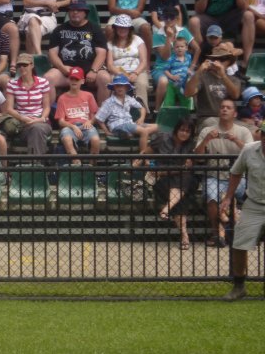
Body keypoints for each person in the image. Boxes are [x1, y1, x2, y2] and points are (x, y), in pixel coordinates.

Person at [193, 97, 251, 248]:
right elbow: (197, 157)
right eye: (222, 107)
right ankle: (216, 232)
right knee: (212, 197)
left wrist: (237, 141)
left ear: (235, 113)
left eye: (228, 108)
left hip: (238, 178)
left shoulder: (243, 131)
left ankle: (224, 233)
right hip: (214, 176)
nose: (224, 109)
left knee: (233, 197)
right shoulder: (207, 130)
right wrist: (206, 140)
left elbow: (253, 154)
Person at [134, 118, 197, 250]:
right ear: (176, 129)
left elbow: (185, 168)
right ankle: (184, 234)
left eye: (187, 131)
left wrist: (163, 172)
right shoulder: (162, 139)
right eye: (182, 130)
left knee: (185, 177)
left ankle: (167, 209)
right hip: (164, 180)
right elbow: (146, 152)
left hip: (179, 178)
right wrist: (139, 160)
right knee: (182, 198)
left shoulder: (191, 145)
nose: (184, 133)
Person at [220, 122, 265, 300]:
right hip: (253, 204)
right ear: (260, 135)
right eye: (264, 134)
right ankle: (239, 286)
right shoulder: (248, 149)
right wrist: (228, 197)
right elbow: (236, 172)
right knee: (239, 243)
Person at [44, 0, 108, 106]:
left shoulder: (95, 28)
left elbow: (102, 52)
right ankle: (48, 115)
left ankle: (101, 116)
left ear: (85, 12)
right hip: (66, 71)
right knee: (48, 78)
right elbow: (52, 53)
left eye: (78, 10)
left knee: (105, 78)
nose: (75, 12)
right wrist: (62, 68)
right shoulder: (59, 30)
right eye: (72, 10)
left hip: (89, 70)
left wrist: (94, 70)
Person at [1, 52, 51, 155]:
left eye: (25, 65)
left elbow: (46, 107)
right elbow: (9, 108)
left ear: (32, 65)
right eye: (19, 65)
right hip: (22, 122)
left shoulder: (43, 82)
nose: (22, 68)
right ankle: (36, 165)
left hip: (41, 120)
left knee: (37, 128)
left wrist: (41, 119)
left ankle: (35, 165)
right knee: (35, 130)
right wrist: (23, 118)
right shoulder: (12, 84)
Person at [151, 5, 200, 111]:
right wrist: (169, 37)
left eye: (171, 17)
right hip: (162, 68)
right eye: (166, 17)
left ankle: (194, 111)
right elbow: (165, 57)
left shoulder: (183, 31)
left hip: (181, 66)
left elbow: (197, 49)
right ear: (162, 18)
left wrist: (192, 67)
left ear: (177, 18)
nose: (168, 20)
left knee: (193, 80)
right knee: (164, 81)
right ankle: (158, 110)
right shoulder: (157, 34)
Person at [184, 44, 242, 130]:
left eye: (223, 59)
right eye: (215, 59)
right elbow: (188, 93)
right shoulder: (203, 77)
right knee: (215, 126)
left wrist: (223, 76)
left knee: (252, 130)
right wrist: (199, 72)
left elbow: (235, 95)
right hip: (207, 118)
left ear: (229, 62)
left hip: (230, 119)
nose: (218, 62)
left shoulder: (234, 80)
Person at [98, 14, 150, 108]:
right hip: (117, 72)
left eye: (125, 27)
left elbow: (143, 61)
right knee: (116, 83)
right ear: (115, 28)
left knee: (141, 84)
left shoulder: (138, 40)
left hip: (138, 70)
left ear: (129, 29)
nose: (122, 29)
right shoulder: (110, 43)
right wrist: (124, 74)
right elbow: (110, 65)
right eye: (120, 27)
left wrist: (135, 73)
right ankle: (114, 112)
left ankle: (141, 113)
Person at [96, 74, 157, 153]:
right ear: (114, 87)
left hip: (129, 123)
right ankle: (143, 157)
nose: (120, 88)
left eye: (122, 85)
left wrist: (141, 118)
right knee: (144, 132)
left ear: (126, 87)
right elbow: (99, 119)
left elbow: (142, 108)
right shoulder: (108, 102)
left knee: (158, 127)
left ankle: (132, 134)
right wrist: (107, 132)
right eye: (117, 86)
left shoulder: (129, 98)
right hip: (118, 125)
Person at [188, 0, 255, 66]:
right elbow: (198, 11)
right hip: (209, 18)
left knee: (249, 15)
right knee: (193, 22)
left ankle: (247, 61)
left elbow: (243, 7)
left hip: (230, 17)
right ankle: (197, 61)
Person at [55, 67, 100, 164]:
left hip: (86, 125)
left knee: (95, 140)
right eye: (72, 79)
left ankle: (92, 167)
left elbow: (94, 115)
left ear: (82, 81)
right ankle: (77, 164)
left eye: (77, 79)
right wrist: (73, 127)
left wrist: (90, 121)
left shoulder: (89, 95)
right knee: (67, 139)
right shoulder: (62, 98)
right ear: (68, 80)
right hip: (70, 126)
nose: (74, 81)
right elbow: (61, 121)